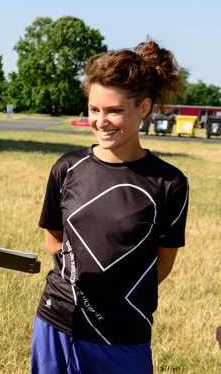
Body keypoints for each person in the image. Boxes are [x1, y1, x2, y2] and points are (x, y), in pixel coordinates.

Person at [30, 40, 189, 373]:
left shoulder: (169, 183)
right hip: (56, 323)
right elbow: (54, 239)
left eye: (114, 110)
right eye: (94, 109)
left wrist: (112, 297)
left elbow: (162, 265)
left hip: (121, 335)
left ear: (143, 108)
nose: (101, 121)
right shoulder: (67, 168)